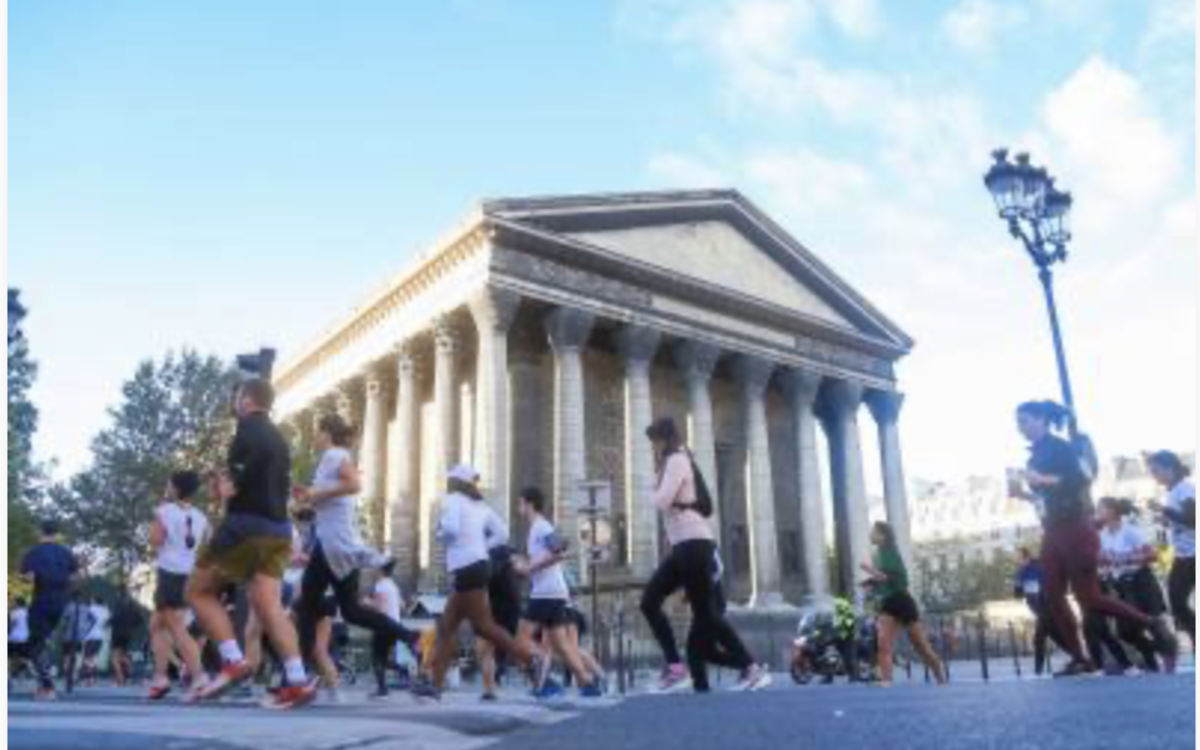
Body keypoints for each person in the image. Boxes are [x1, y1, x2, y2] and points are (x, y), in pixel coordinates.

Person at [186, 378, 317, 709]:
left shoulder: (246, 430)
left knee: (199, 592)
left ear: (246, 400)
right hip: (279, 531)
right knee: (269, 607)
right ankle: (297, 680)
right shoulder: (279, 438)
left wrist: (220, 484)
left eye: (237, 397)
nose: (235, 403)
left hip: (245, 526)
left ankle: (232, 660)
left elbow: (231, 489)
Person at [1011, 400, 1166, 677]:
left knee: (1089, 597)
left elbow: (1081, 479)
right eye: (1017, 423)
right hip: (1053, 529)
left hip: (1076, 526)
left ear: (1042, 419)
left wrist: (1043, 479)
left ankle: (1151, 623)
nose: (1019, 427)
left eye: (1024, 421)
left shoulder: (1061, 447)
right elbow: (1046, 496)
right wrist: (1024, 493)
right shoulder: (1032, 458)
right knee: (1052, 597)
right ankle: (1081, 658)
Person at [293, 413, 421, 697]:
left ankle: (300, 675)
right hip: (339, 544)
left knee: (306, 606)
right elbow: (332, 502)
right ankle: (409, 635)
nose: (314, 437)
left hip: (333, 545)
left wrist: (316, 492)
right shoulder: (332, 459)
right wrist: (308, 501)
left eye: (317, 431)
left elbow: (354, 485)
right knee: (350, 610)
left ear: (327, 433)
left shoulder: (334, 455)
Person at [640, 417, 769, 693]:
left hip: (695, 543)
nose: (653, 447)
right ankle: (676, 668)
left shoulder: (677, 460)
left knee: (705, 615)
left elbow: (661, 500)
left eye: (654, 440)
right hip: (683, 546)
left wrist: (649, 489)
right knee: (650, 602)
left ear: (664, 439)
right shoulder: (670, 463)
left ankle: (750, 667)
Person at [412, 465, 543, 700]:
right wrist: (481, 547)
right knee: (447, 628)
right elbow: (502, 534)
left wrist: (438, 531)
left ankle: (528, 658)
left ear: (453, 482)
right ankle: (435, 686)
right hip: (478, 566)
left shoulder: (452, 500)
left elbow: (450, 529)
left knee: (483, 627)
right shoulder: (480, 505)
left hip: (466, 568)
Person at [514, 486, 603, 699]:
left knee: (520, 641)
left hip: (545, 593)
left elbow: (559, 551)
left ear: (529, 503)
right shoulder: (537, 527)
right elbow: (548, 555)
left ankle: (547, 683)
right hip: (555, 592)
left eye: (520, 503)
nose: (518, 507)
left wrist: (529, 568)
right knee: (563, 646)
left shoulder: (540, 526)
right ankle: (588, 684)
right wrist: (525, 564)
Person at [147, 470, 212, 700]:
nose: (167, 487)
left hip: (170, 572)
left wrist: (156, 524)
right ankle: (160, 677)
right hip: (189, 573)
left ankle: (199, 676)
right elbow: (208, 544)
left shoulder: (164, 511)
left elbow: (155, 541)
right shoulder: (201, 516)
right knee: (157, 625)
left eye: (169, 484)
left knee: (175, 627)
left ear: (176, 488)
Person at [861, 521, 947, 687]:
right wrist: (870, 582)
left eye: (874, 532)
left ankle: (940, 675)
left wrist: (869, 570)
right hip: (887, 603)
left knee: (920, 646)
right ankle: (886, 680)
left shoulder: (890, 552)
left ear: (883, 535)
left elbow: (896, 579)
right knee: (883, 643)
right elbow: (884, 579)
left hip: (902, 601)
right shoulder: (877, 554)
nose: (870, 535)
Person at [1097, 497, 1177, 673]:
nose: (1098, 512)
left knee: (1154, 624)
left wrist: (1127, 558)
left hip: (1141, 581)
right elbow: (1102, 560)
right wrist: (1102, 561)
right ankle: (1152, 659)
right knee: (1125, 632)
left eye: (1101, 508)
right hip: (1121, 586)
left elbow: (1152, 555)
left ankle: (1170, 669)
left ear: (1112, 511)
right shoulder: (1102, 535)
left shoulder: (1130, 531)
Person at [21, 521, 80, 700]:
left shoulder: (33, 553)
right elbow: (75, 576)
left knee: (32, 646)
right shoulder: (66, 553)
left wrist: (32, 578)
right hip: (60, 604)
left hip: (41, 601)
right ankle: (44, 683)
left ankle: (47, 687)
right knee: (43, 641)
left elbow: (28, 578)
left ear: (40, 532)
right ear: (57, 533)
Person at [1146, 450, 1195, 647]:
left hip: (1193, 554)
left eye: (1156, 471)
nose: (1154, 476)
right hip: (1184, 555)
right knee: (1176, 603)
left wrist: (1163, 509)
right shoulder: (1173, 491)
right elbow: (1181, 520)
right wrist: (1165, 520)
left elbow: (1193, 520)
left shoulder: (1185, 488)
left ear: (1170, 469)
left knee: (1177, 602)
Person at [477, 514, 521, 701]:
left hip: (497, 607)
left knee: (484, 648)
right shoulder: (506, 552)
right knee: (486, 648)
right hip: (507, 606)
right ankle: (490, 689)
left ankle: (491, 688)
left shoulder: (492, 553)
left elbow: (487, 578)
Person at [1013, 548, 1059, 676]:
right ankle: (1038, 668)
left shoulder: (1036, 568)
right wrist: (1017, 585)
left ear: (1026, 557)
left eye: (1018, 557)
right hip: (1039, 610)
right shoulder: (1021, 572)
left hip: (1046, 609)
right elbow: (1018, 595)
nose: (1016, 560)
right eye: (1016, 558)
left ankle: (1038, 669)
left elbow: (1046, 587)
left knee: (1039, 638)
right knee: (1048, 637)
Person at [370, 560, 410, 698]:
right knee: (383, 658)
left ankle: (382, 690)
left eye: (375, 568)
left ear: (380, 571)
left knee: (377, 658)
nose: (373, 570)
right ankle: (402, 669)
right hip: (395, 626)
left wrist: (366, 603)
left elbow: (380, 609)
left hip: (383, 625)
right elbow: (403, 606)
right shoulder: (393, 585)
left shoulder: (380, 586)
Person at [108, 591, 145, 687]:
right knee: (122, 655)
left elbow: (115, 617)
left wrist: (107, 622)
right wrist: (132, 626)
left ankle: (120, 680)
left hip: (118, 634)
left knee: (114, 658)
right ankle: (131, 671)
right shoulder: (133, 606)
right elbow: (140, 619)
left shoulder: (118, 604)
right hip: (128, 634)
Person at [9, 598, 32, 683]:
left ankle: (11, 674)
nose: (12, 603)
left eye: (14, 602)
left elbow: (12, 625)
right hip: (25, 637)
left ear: (18, 604)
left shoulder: (14, 613)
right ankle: (24, 672)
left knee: (11, 657)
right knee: (23, 656)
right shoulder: (28, 612)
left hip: (14, 637)